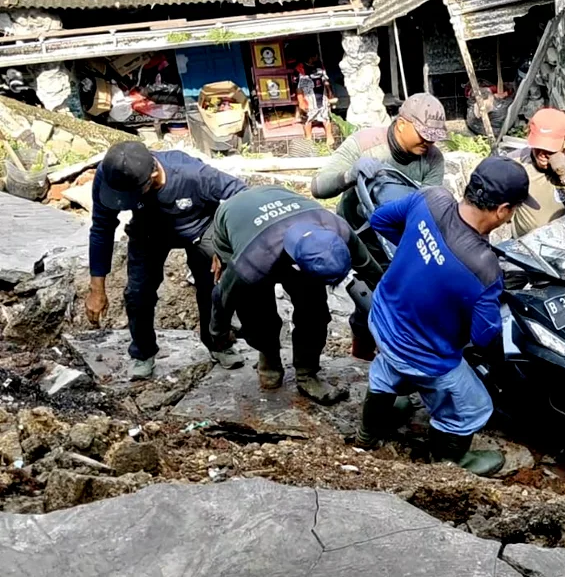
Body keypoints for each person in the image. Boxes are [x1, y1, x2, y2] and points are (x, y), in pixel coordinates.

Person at [353, 156, 541, 476]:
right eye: (513, 210)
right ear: (502, 210)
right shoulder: (484, 267)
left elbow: (381, 220)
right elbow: (483, 338)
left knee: (387, 367)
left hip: (383, 319)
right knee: (474, 406)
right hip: (423, 354)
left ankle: (367, 434)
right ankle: (447, 463)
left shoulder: (431, 198)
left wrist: (424, 257)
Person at [205, 186, 384, 405]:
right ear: (298, 266)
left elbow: (375, 274)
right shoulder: (251, 263)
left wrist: (397, 314)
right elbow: (222, 299)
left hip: (282, 200)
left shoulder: (339, 229)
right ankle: (269, 359)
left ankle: (307, 373)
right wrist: (218, 335)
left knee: (314, 310)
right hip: (236, 219)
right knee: (257, 312)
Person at [85, 141, 248, 380]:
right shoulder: (111, 176)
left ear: (152, 176)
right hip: (148, 231)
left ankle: (218, 343)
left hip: (201, 227)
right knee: (138, 293)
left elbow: (242, 195)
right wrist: (96, 288)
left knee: (213, 288)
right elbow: (101, 228)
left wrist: (225, 246)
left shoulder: (194, 174)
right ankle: (143, 353)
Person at [312, 93, 449, 359]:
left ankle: (395, 358)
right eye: (423, 133)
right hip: (358, 236)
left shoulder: (432, 159)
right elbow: (318, 186)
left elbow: (429, 208)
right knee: (369, 302)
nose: (429, 141)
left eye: (434, 135)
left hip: (399, 239)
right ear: (401, 124)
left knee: (400, 302)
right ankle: (363, 356)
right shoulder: (364, 143)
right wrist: (350, 174)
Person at [511, 107, 565, 237]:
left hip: (564, 242)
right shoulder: (516, 162)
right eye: (539, 147)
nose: (543, 154)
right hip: (523, 243)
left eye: (550, 148)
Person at [294, 54, 334, 148]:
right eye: (315, 55)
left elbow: (325, 80)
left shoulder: (320, 66)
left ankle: (329, 136)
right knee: (308, 118)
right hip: (308, 97)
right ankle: (308, 138)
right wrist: (301, 101)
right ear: (311, 56)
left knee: (326, 116)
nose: (317, 57)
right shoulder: (300, 68)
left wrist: (329, 92)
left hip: (322, 95)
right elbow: (298, 87)